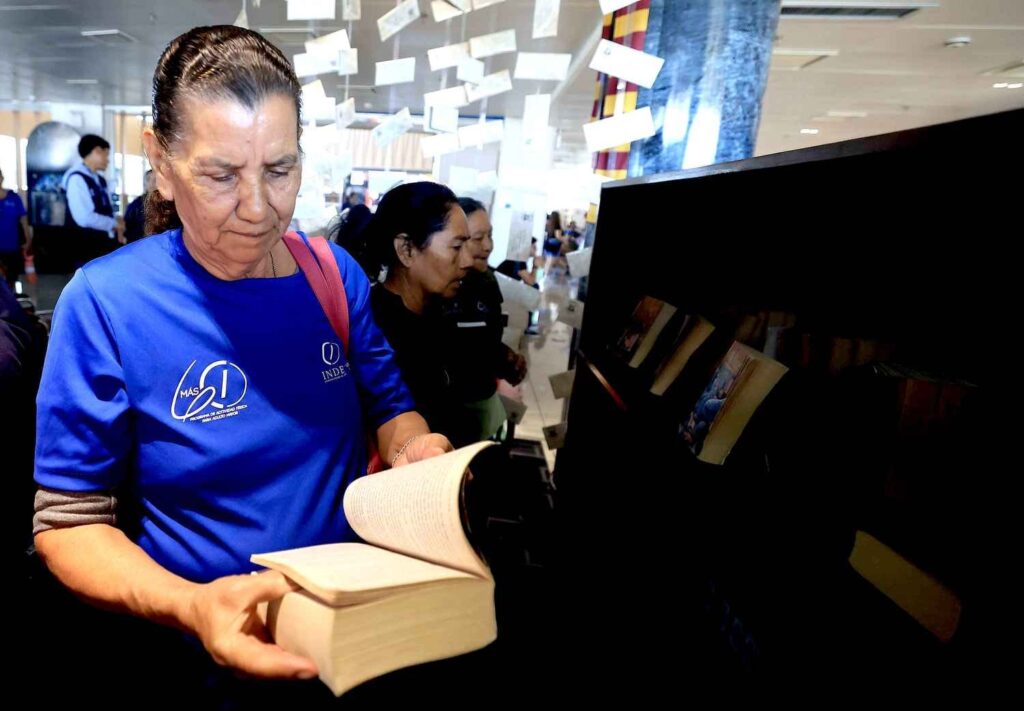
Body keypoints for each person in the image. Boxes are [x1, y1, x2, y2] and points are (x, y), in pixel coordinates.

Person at [33, 25, 451, 690]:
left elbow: (391, 408)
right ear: (161, 163)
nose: (258, 209)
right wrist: (191, 605)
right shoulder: (107, 302)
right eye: (221, 175)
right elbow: (69, 522)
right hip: (191, 666)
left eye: (279, 170)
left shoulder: (333, 276)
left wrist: (413, 451)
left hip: (349, 643)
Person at [335, 182, 486, 445]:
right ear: (406, 249)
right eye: (456, 247)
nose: (467, 261)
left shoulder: (437, 315)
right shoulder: (373, 331)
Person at [429, 197, 527, 443]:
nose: (488, 246)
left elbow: (486, 341)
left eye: (490, 236)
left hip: (482, 410)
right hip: (442, 422)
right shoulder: (435, 287)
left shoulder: (488, 282)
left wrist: (506, 359)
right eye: (478, 238)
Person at [61, 133, 125, 264]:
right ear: (96, 151)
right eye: (106, 155)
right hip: (86, 247)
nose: (107, 160)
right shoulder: (77, 179)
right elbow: (84, 218)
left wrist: (116, 220)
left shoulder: (100, 180)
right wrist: (113, 224)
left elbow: (107, 208)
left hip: (102, 244)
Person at [0, 168, 31, 288]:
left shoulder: (13, 197)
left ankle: (10, 296)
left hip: (12, 245)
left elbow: (24, 220)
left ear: (2, 178)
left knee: (11, 277)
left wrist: (28, 239)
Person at [122, 169, 155, 242]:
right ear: (144, 184)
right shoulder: (135, 205)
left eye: (155, 180)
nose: (152, 183)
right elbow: (127, 228)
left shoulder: (168, 204)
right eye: (148, 179)